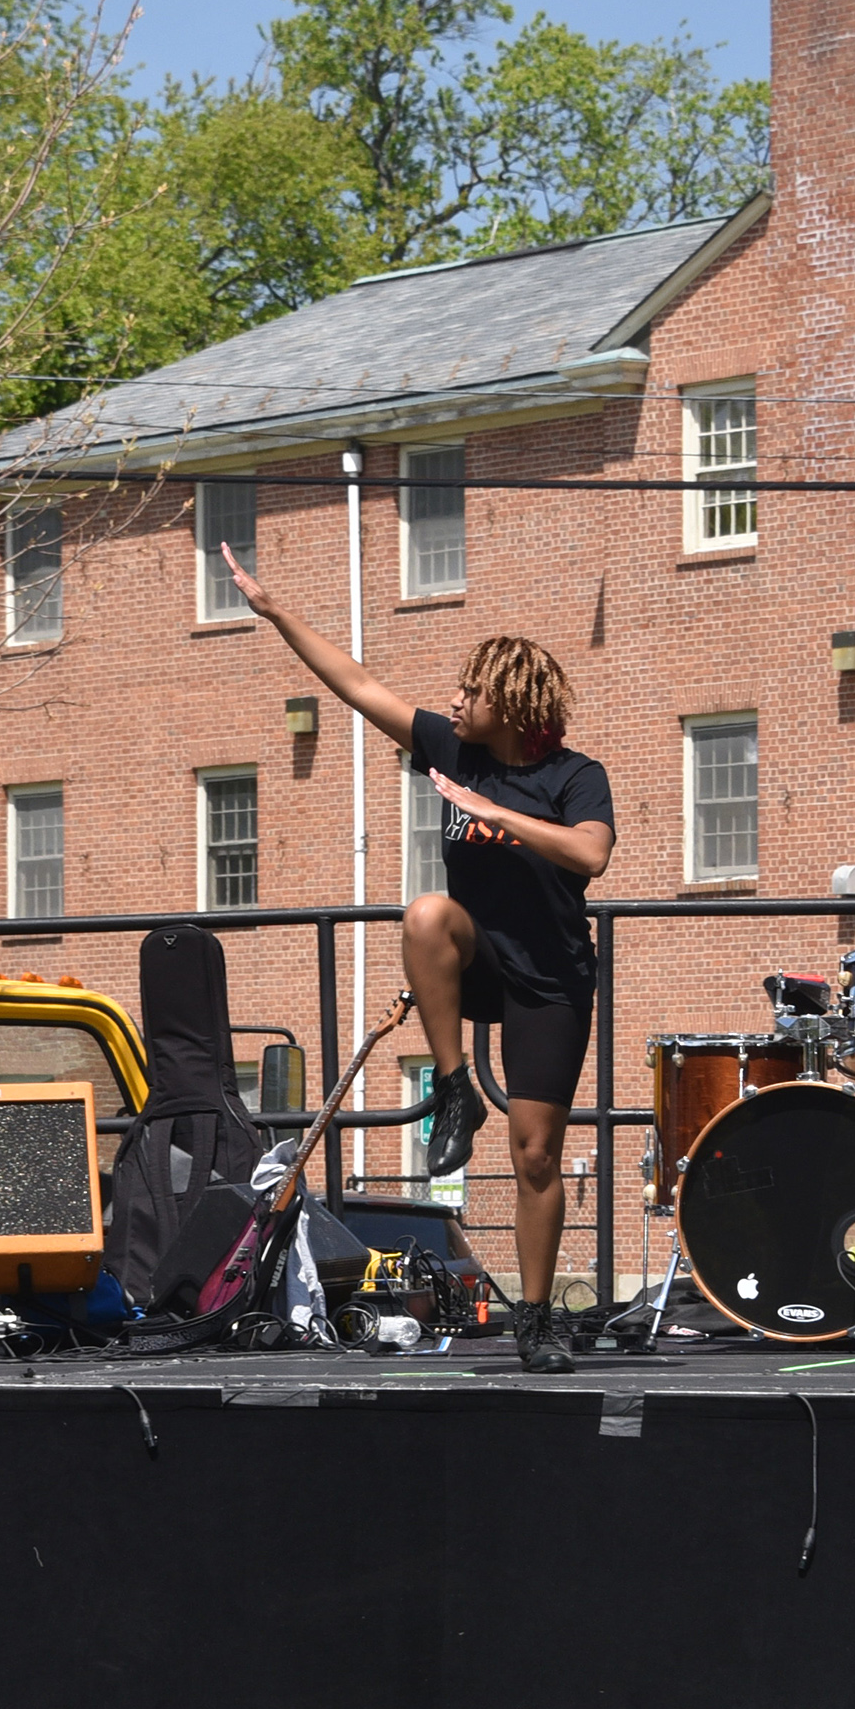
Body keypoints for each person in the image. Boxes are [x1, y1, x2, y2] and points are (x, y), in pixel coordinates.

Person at [221, 540, 613, 1374]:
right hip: (475, 963)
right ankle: (451, 1085)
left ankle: (537, 1318)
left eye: (471, 691)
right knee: (428, 910)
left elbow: (590, 856)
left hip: (549, 978)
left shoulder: (575, 777)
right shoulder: (452, 748)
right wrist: (279, 612)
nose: (456, 701)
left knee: (537, 1153)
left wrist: (490, 813)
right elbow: (359, 686)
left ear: (509, 705)